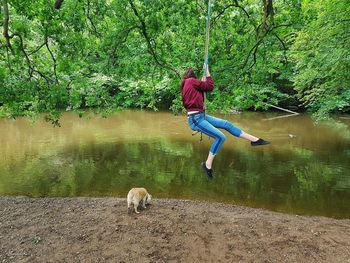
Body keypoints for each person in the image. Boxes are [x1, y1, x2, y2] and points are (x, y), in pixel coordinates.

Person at [180, 66, 270, 180]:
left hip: (201, 116)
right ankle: (207, 165)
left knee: (226, 124)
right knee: (221, 137)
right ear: (192, 76)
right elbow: (210, 86)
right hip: (196, 118)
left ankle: (255, 140)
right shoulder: (191, 81)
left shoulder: (188, 84)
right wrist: (207, 73)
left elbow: (203, 90)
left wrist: (203, 82)